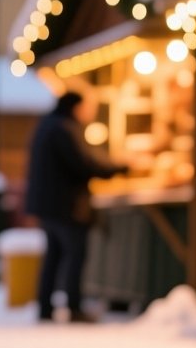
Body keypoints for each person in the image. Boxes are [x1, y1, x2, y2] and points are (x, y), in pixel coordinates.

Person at [24, 90, 128, 323]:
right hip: (65, 204)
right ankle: (73, 307)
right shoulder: (64, 129)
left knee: (53, 256)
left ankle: (45, 307)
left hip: (49, 205)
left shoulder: (47, 125)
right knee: (74, 255)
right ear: (76, 107)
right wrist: (118, 169)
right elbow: (81, 164)